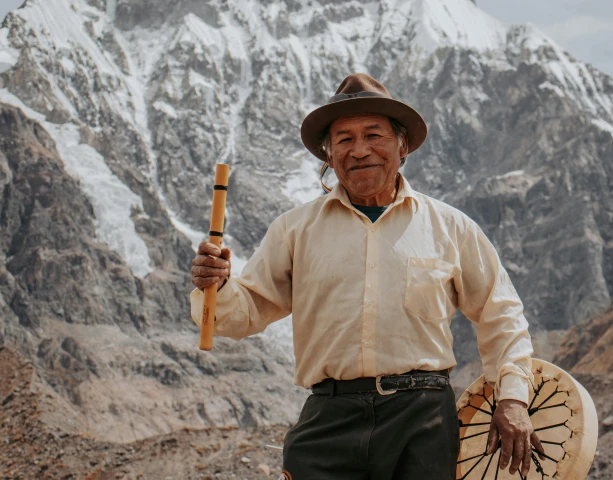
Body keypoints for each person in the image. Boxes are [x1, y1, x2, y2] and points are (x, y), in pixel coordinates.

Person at [190, 73, 543, 479]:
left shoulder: (451, 227)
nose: (359, 151)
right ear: (328, 154)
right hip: (328, 420)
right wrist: (216, 286)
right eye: (343, 139)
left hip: (424, 422)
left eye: (373, 135)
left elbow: (502, 315)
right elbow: (243, 313)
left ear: (402, 144)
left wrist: (512, 398)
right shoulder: (294, 230)